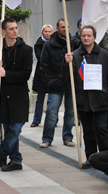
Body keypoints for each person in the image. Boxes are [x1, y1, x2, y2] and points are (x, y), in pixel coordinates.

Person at [65, 25, 108, 169]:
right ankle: (91, 158)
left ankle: (105, 157)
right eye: (83, 35)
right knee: (88, 131)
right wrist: (66, 64)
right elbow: (68, 78)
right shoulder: (75, 55)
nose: (86, 38)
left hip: (101, 100)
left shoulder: (105, 54)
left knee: (101, 129)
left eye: (89, 35)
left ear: (94, 37)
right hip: (83, 101)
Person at [0, 18, 33, 171]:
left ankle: (2, 151)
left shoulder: (26, 50)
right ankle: (16, 160)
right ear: (4, 31)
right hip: (3, 96)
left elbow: (26, 74)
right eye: (11, 29)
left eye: (16, 28)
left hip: (19, 96)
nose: (15, 31)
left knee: (16, 128)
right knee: (8, 129)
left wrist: (6, 74)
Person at [39, 19, 75, 149]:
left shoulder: (74, 43)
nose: (65, 29)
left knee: (70, 113)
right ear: (57, 28)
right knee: (51, 112)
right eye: (63, 27)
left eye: (67, 27)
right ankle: (47, 138)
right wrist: (48, 81)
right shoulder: (50, 45)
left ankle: (68, 137)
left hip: (71, 84)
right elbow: (44, 65)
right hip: (55, 83)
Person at [31, 23, 52, 128]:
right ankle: (36, 120)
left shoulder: (55, 43)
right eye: (46, 31)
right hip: (41, 75)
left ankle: (52, 120)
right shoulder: (38, 44)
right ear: (42, 32)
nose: (47, 33)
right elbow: (41, 57)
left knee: (52, 100)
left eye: (49, 31)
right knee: (40, 99)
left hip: (53, 75)